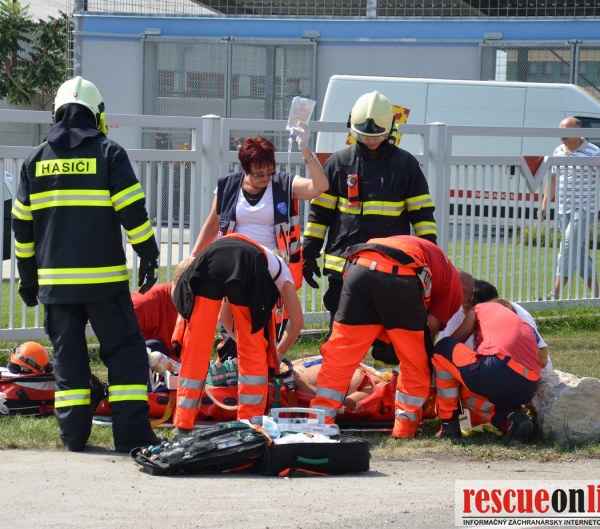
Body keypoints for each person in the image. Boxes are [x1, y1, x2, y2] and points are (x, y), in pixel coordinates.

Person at [11, 76, 161, 453]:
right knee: (125, 353)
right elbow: (132, 212)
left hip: (56, 287)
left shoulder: (34, 161)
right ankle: (131, 436)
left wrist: (28, 279)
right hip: (104, 284)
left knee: (69, 358)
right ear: (97, 114)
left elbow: (22, 229)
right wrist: (148, 254)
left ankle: (74, 436)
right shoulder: (109, 154)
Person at [301, 91, 438, 368]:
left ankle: (388, 386)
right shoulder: (339, 163)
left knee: (392, 343)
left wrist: (428, 256)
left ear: (391, 130)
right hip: (345, 270)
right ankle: (337, 387)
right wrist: (309, 252)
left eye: (377, 135)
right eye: (364, 135)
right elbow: (320, 214)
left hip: (392, 270)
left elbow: (422, 215)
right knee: (341, 339)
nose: (371, 141)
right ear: (352, 128)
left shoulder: (406, 165)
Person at [310, 235, 462, 439]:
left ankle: (320, 421)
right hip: (400, 274)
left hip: (359, 265)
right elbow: (429, 330)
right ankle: (404, 428)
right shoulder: (455, 288)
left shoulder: (437, 263)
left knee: (341, 354)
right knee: (414, 359)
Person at [171, 233, 304, 433]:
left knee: (195, 348)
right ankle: (249, 423)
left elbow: (224, 318)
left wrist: (239, 340)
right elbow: (297, 322)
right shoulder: (281, 269)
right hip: (247, 266)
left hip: (208, 259)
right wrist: (276, 355)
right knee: (253, 353)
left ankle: (183, 423)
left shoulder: (253, 255)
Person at [190, 127, 328, 289]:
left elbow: (320, 187)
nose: (266, 178)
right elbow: (213, 224)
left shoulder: (284, 184)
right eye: (259, 174)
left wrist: (305, 149)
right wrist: (193, 256)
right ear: (245, 169)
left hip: (273, 266)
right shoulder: (227, 185)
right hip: (235, 266)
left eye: (270, 172)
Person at [432, 300, 544, 443]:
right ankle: (514, 420)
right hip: (528, 387)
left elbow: (456, 340)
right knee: (471, 392)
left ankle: (448, 425)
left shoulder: (479, 308)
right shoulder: (524, 324)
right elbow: (543, 358)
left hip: (499, 370)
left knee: (443, 347)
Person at [541, 117, 600, 299]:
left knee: (567, 246)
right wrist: (545, 202)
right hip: (563, 209)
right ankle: (597, 296)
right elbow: (553, 179)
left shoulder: (594, 152)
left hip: (585, 209)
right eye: (559, 131)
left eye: (566, 131)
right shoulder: (558, 151)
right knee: (578, 252)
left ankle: (554, 294)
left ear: (579, 131)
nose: (561, 135)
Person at [131, 282, 180, 358]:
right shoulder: (143, 304)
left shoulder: (197, 305)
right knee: (155, 347)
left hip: (178, 362)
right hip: (139, 360)